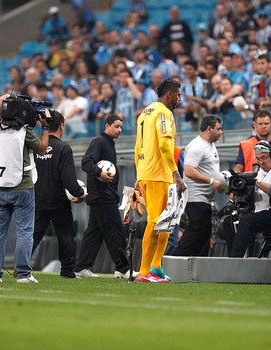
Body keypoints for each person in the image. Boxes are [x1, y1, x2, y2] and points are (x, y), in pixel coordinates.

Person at [0, 94, 49, 283]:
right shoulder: (24, 131)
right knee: (25, 231)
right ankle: (23, 274)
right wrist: (44, 126)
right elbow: (42, 148)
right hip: (22, 187)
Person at [134, 78, 185, 282]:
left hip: (147, 173)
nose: (180, 99)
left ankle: (156, 266)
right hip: (159, 174)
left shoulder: (144, 113)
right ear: (170, 94)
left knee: (166, 222)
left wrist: (139, 175)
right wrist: (175, 172)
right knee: (156, 221)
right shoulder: (164, 113)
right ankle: (145, 271)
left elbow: (138, 147)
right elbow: (165, 146)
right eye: (178, 94)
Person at [75, 114, 132, 279]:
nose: (119, 130)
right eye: (116, 126)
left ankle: (81, 267)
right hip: (102, 197)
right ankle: (122, 268)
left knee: (94, 234)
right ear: (107, 126)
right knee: (115, 232)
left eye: (121, 127)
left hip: (104, 196)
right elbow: (86, 162)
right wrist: (99, 173)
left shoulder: (108, 143)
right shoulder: (99, 142)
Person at [31, 111, 85, 279]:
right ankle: (67, 270)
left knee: (33, 235)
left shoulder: (37, 147)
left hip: (37, 197)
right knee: (65, 235)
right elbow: (68, 178)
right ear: (62, 126)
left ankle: (21, 264)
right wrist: (79, 193)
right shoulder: (63, 148)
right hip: (58, 200)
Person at [229, 141, 271, 257]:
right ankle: (244, 258)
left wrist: (256, 182)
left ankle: (235, 260)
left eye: (264, 158)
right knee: (229, 222)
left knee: (247, 221)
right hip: (263, 211)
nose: (261, 162)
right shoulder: (260, 171)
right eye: (258, 159)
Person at [173, 115, 225, 257]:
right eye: (218, 129)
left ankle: (199, 268)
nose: (221, 132)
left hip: (205, 199)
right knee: (197, 232)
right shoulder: (197, 146)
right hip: (196, 198)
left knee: (204, 235)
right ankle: (173, 262)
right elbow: (189, 171)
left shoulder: (210, 145)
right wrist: (211, 182)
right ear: (209, 129)